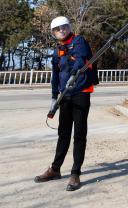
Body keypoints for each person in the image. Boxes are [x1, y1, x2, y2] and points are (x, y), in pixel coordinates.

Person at [34, 16, 96, 191]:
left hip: (81, 93)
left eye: (64, 26)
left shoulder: (79, 41)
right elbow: (55, 75)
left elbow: (80, 59)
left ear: (69, 27)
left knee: (79, 134)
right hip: (65, 96)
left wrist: (74, 75)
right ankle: (55, 169)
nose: (61, 30)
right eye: (57, 29)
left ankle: (75, 173)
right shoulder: (56, 51)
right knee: (63, 133)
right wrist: (54, 97)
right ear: (54, 33)